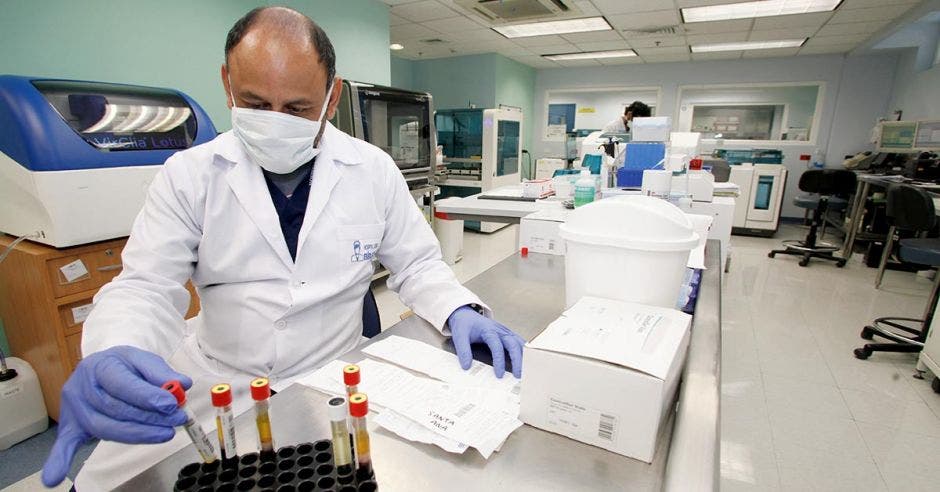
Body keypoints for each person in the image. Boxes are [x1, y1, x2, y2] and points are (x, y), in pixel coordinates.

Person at [42, 7, 525, 490]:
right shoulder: (189, 175)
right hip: (214, 383)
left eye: (296, 109)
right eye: (254, 103)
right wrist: (115, 349)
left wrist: (458, 308)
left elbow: (417, 262)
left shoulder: (372, 170)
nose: (275, 123)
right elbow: (147, 286)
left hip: (331, 379)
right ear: (227, 84)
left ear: (332, 96)